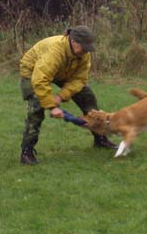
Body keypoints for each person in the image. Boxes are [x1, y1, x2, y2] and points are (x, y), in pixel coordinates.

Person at [19, 25, 117, 164]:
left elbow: (79, 79)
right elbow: (40, 80)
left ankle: (100, 139)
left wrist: (60, 96)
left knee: (87, 96)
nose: (85, 52)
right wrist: (52, 107)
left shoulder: (84, 54)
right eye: (83, 48)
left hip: (62, 71)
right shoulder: (55, 51)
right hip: (32, 70)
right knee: (37, 106)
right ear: (74, 41)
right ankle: (26, 152)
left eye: (88, 48)